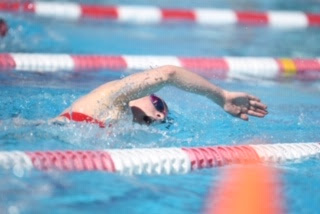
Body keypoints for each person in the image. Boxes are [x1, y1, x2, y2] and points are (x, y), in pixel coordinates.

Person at [54, 65, 268, 127]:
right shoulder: (112, 96)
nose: (160, 116)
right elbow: (168, 73)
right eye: (158, 105)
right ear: (141, 94)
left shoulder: (116, 122)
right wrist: (221, 96)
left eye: (163, 116)